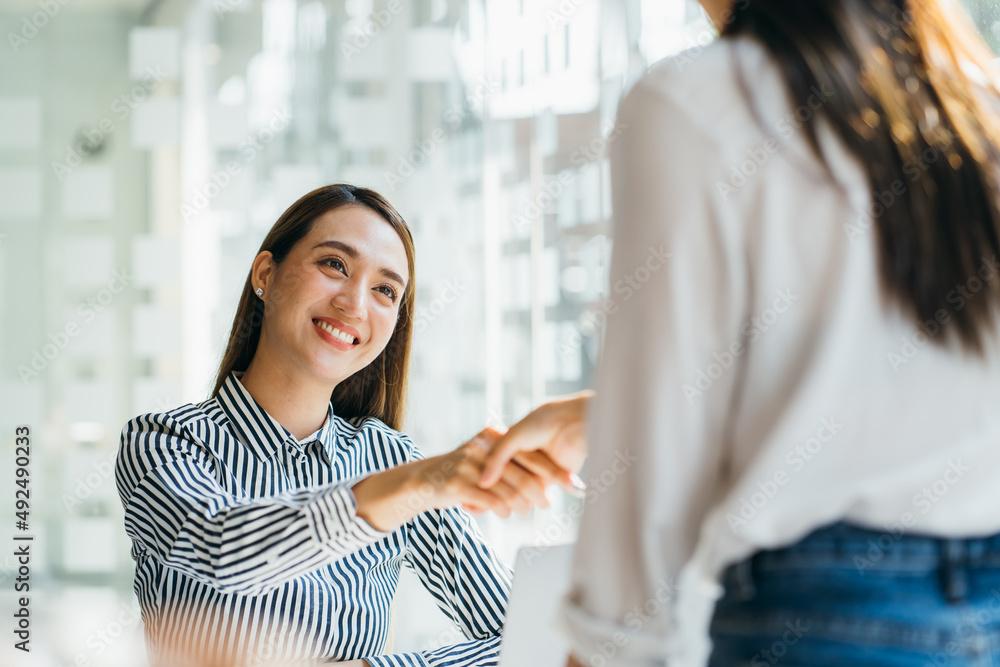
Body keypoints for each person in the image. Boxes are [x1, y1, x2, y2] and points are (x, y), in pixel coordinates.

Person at [481, 0, 1000, 664]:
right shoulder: (973, 102)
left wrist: (608, 645)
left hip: (824, 618)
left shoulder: (693, 101)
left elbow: (649, 470)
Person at [115, 183, 574, 667]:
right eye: (334, 264)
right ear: (265, 275)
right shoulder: (163, 442)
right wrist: (409, 485)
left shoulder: (389, 458)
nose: (354, 304)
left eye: (384, 290)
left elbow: (526, 639)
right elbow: (221, 548)